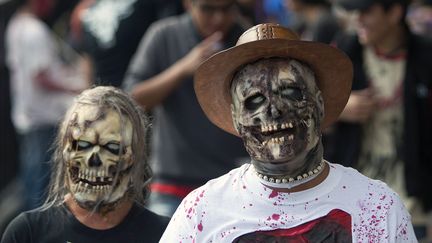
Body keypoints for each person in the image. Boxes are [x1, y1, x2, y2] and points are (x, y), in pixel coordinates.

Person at [160, 23, 417, 242]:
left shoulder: (377, 207)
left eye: (291, 93)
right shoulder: (202, 213)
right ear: (237, 119)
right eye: (254, 100)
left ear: (319, 103)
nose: (274, 110)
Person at [123, 0, 249, 217]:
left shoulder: (245, 38)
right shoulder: (164, 34)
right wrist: (182, 68)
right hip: (173, 185)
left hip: (234, 184)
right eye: (208, 9)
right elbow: (132, 100)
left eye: (226, 9)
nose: (218, 18)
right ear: (189, 4)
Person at [1, 86, 169, 243]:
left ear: (133, 156)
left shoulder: (167, 234)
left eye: (112, 147)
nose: (93, 159)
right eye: (82, 145)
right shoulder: (27, 233)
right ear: (64, 151)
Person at [326, 0, 432, 239]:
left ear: (394, 11)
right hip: (356, 192)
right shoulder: (344, 50)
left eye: (366, 12)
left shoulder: (425, 56)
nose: (357, 19)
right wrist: (339, 108)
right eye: (354, 12)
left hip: (414, 197)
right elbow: (311, 108)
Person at [5, 0, 88, 210]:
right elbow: (41, 77)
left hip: (28, 117)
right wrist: (77, 88)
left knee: (32, 182)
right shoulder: (35, 31)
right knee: (42, 189)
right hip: (43, 119)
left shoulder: (15, 26)